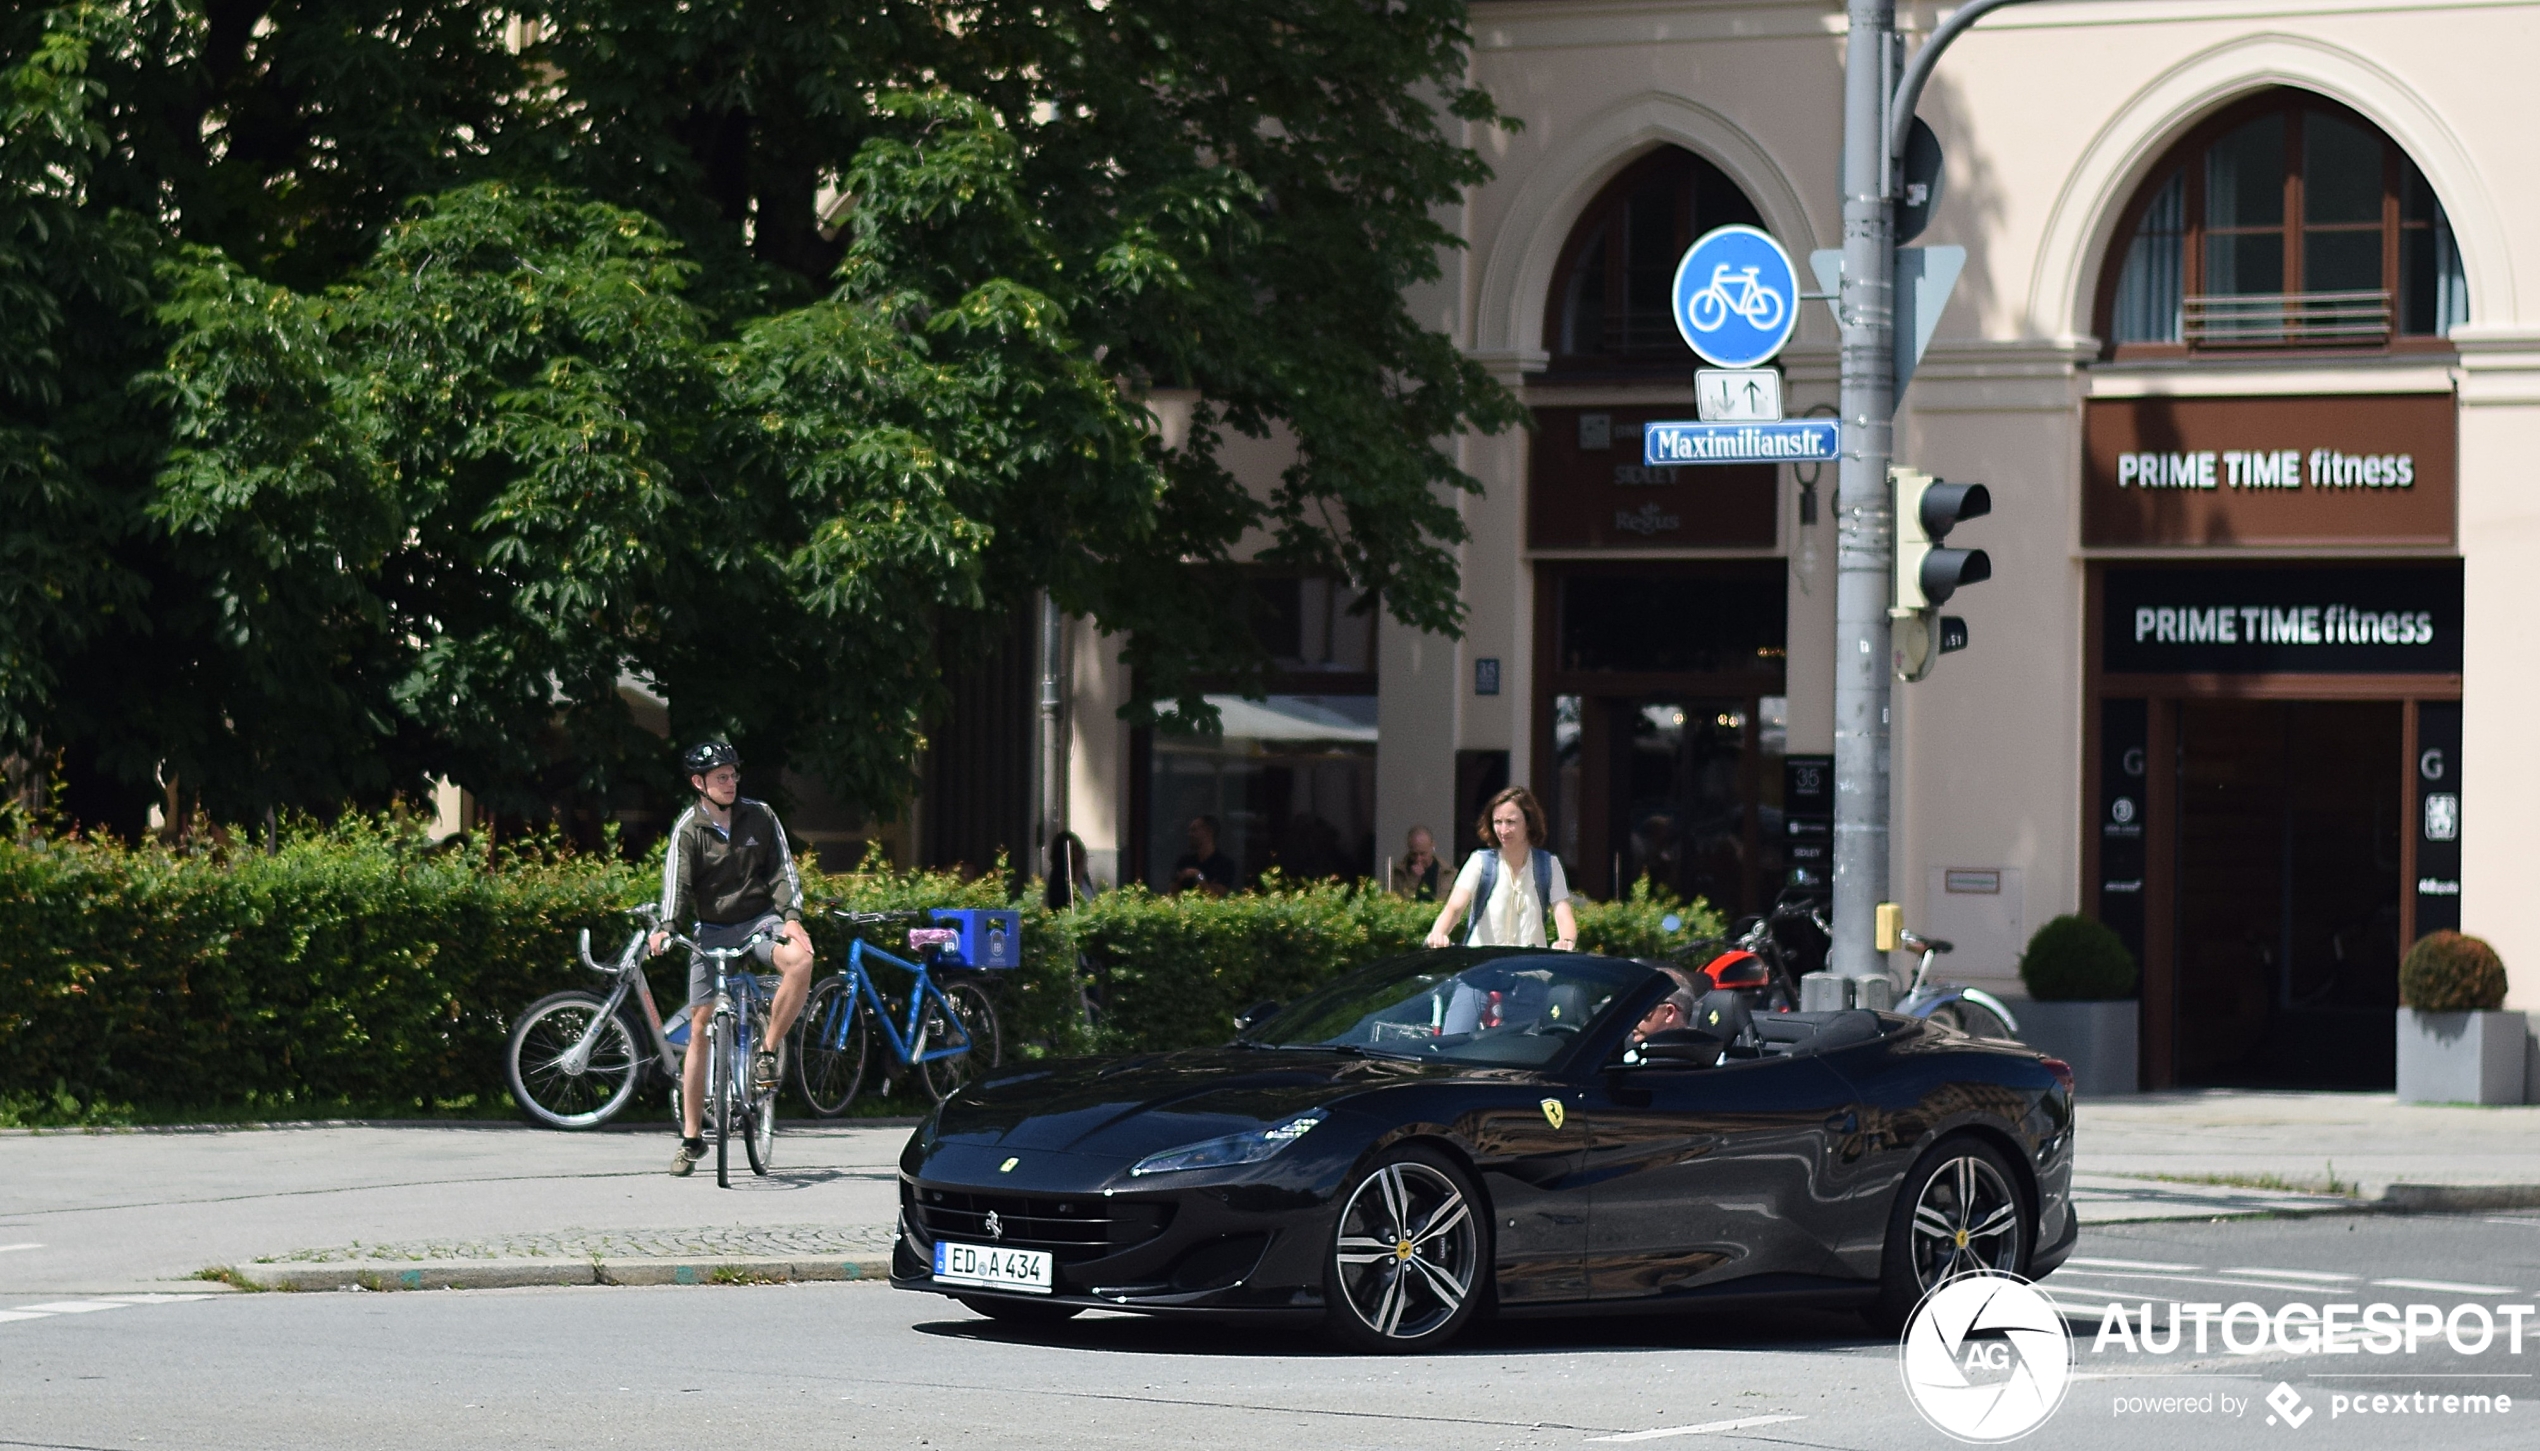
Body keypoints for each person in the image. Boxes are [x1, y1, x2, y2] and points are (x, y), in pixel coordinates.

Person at [649, 741, 815, 1177]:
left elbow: (782, 871)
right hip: (710, 929)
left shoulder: (760, 815)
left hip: (759, 922)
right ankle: (690, 1138)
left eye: (733, 774)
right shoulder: (689, 829)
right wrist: (668, 926)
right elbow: (677, 886)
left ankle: (766, 1048)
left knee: (800, 961)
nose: (730, 782)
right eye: (720, 776)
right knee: (700, 1025)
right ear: (698, 783)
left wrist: (792, 919)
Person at [1425, 786, 1579, 950]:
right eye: (1498, 822)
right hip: (1484, 967)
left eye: (1511, 822)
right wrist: (1438, 934)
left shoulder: (1549, 864)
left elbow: (1562, 912)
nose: (1503, 830)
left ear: (1528, 823)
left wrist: (1566, 941)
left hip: (1530, 969)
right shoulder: (1480, 861)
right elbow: (1454, 908)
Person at [1629, 966, 1706, 1045]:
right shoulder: (1628, 1051)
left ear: (1669, 1013)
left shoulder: (1697, 1054)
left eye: (1642, 1007)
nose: (1634, 1017)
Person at [1170, 814, 1236, 896]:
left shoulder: (1225, 864)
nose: (1190, 834)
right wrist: (1180, 879)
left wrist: (1198, 876)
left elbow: (1216, 896)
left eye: (1194, 830)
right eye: (1189, 831)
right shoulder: (1185, 861)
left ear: (1209, 832)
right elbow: (1171, 894)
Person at [1045, 830, 1097, 911]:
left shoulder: (1084, 877)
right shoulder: (1060, 880)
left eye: (1078, 847)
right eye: (1073, 849)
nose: (1078, 852)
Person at [1394, 825, 1441, 901]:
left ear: (1432, 846)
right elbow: (1399, 904)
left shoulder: (1447, 872)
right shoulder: (1399, 872)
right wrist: (1413, 879)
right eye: (1414, 854)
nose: (1418, 859)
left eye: (1423, 854)